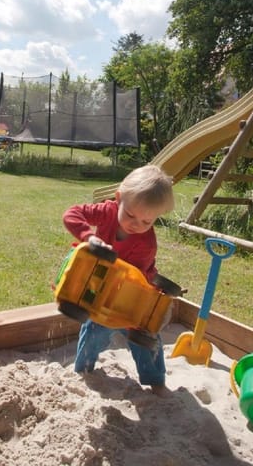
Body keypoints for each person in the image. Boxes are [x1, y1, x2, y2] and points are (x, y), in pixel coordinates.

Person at [61, 164, 175, 394]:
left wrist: (134, 323)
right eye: (131, 215)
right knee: (92, 332)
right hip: (100, 289)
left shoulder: (146, 245)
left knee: (145, 340)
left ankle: (156, 382)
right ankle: (83, 371)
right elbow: (71, 214)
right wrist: (89, 237)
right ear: (119, 198)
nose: (136, 225)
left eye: (147, 222)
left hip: (132, 295)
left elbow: (136, 281)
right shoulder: (108, 212)